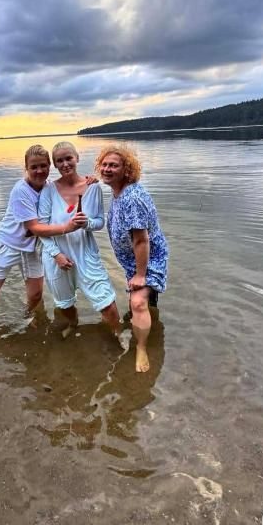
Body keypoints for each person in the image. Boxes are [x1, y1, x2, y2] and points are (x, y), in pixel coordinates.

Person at [0, 144, 84, 363]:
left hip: (32, 249)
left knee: (36, 296)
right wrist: (67, 228)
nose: (39, 171)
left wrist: (89, 181)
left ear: (49, 166)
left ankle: (30, 325)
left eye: (43, 166)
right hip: (7, 245)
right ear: (26, 168)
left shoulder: (49, 187)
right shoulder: (21, 190)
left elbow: (71, 187)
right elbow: (35, 227)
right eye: (34, 167)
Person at [38, 141, 122, 341]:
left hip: (86, 253)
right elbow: (40, 228)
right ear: (55, 164)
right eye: (60, 161)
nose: (65, 164)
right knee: (65, 303)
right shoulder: (48, 190)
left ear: (77, 158)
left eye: (69, 158)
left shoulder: (93, 187)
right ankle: (73, 323)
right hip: (57, 256)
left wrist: (87, 223)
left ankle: (118, 337)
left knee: (106, 302)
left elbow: (100, 222)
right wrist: (56, 255)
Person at [95, 144, 169, 373]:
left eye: (113, 166)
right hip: (133, 261)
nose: (107, 169)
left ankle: (141, 348)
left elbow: (141, 241)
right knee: (142, 301)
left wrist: (140, 274)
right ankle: (149, 315)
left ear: (126, 170)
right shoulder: (118, 191)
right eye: (104, 165)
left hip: (148, 258)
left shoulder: (132, 197)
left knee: (137, 302)